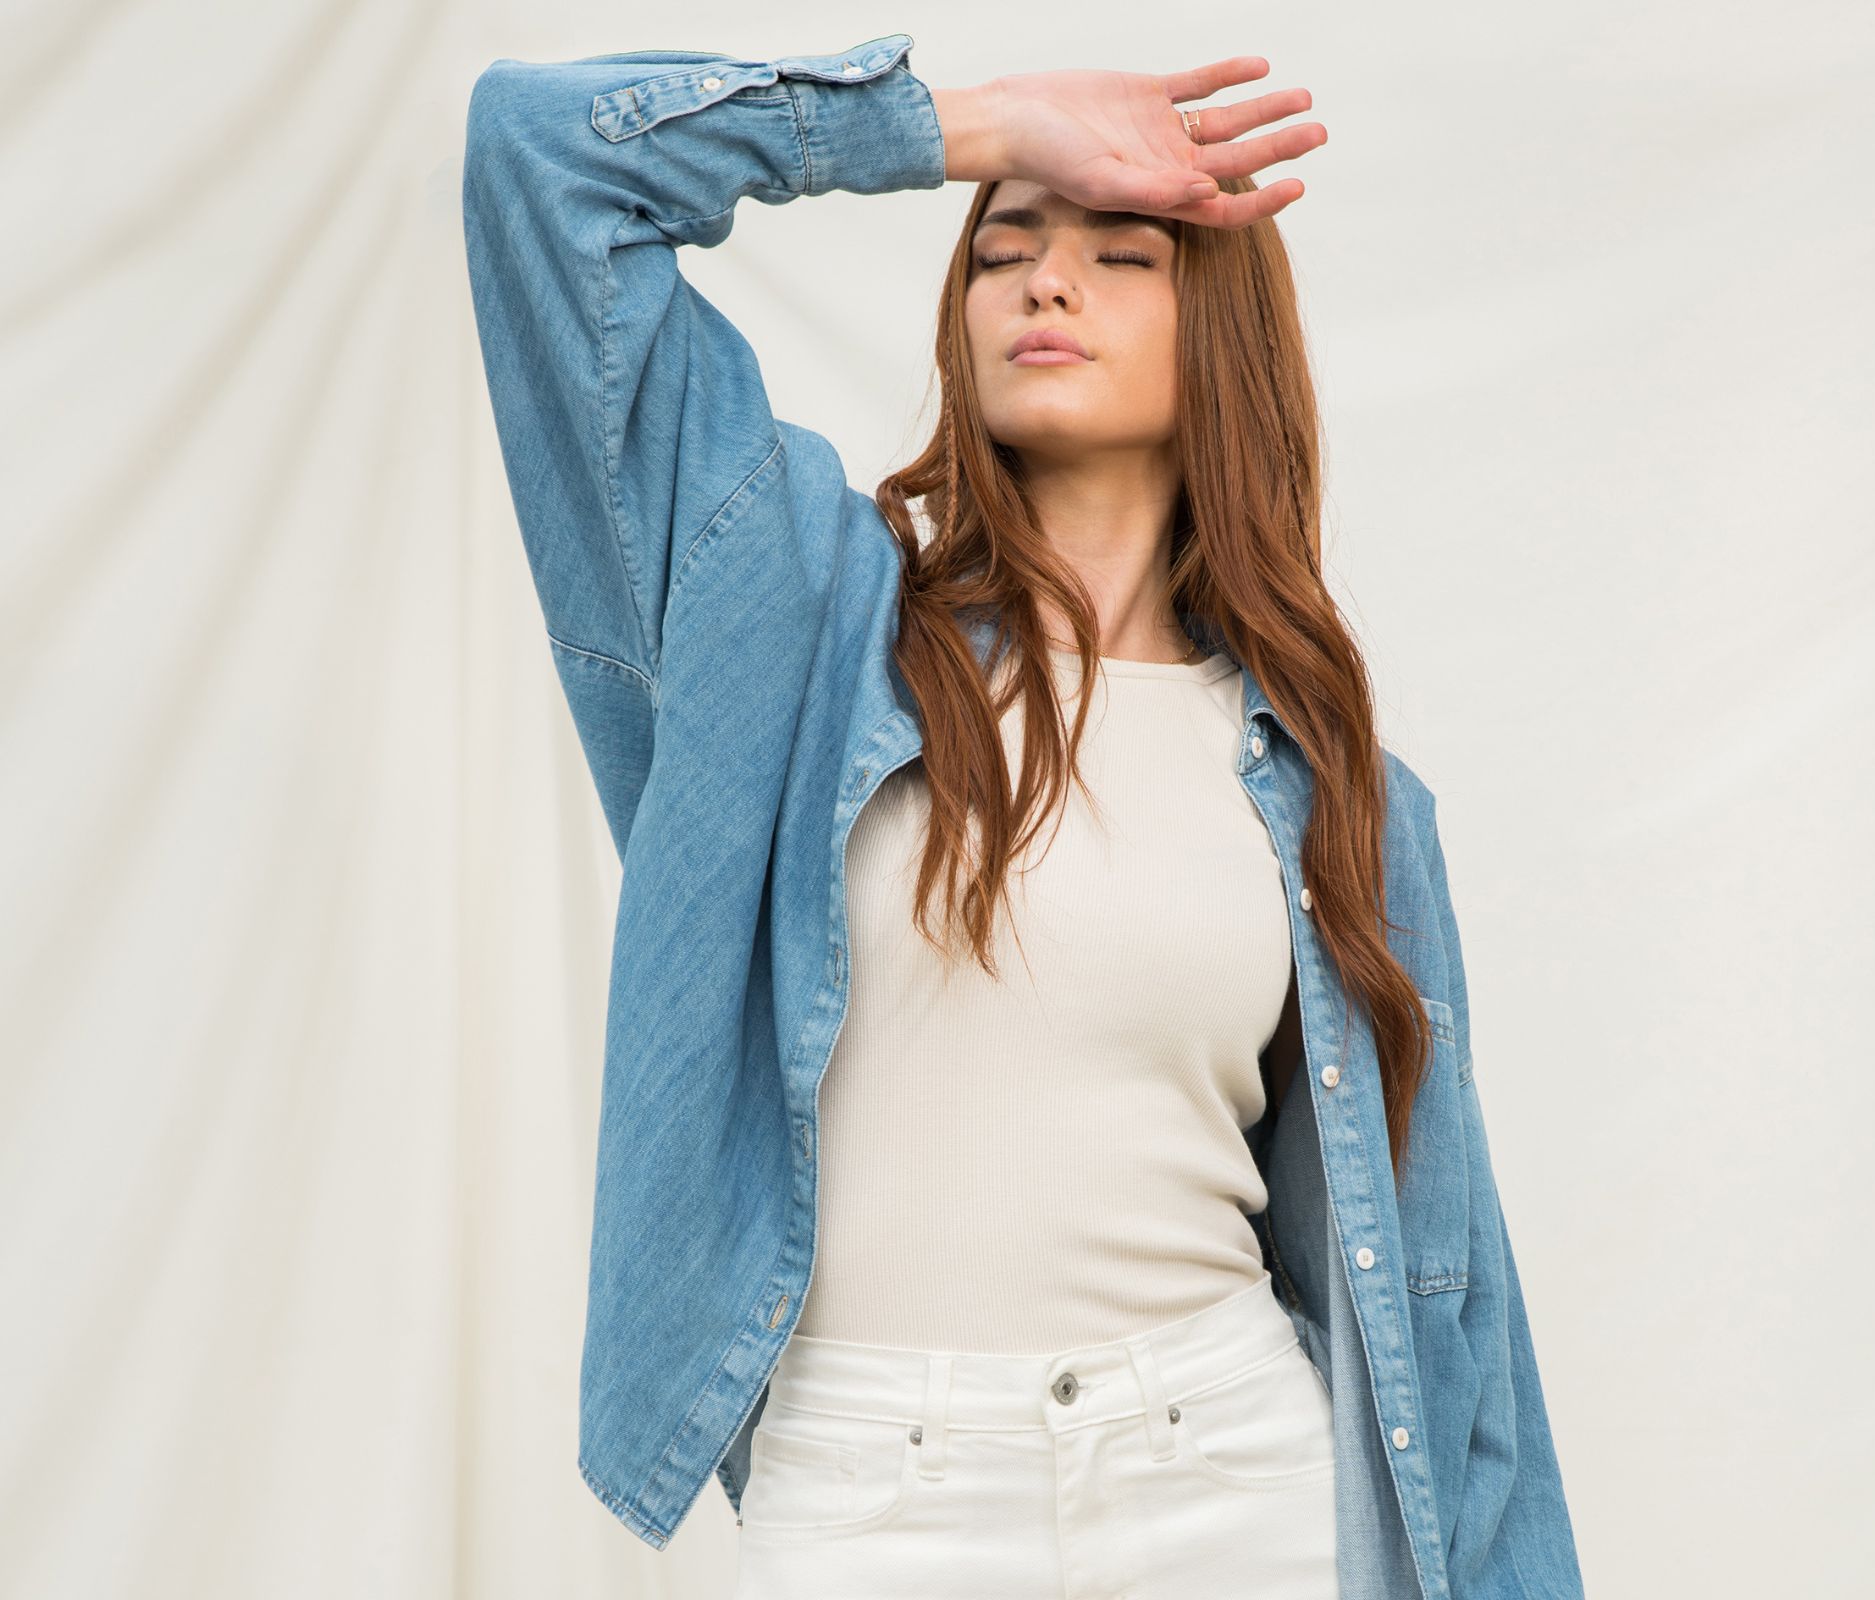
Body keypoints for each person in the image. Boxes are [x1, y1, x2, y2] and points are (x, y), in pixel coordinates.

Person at [460, 31, 1585, 1599]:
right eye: (1005, 248)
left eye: (1122, 253)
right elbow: (542, 158)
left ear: (1221, 338)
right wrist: (972, 127)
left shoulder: (1343, 791)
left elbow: (1455, 1320)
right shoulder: (798, 628)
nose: (1048, 280)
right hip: (876, 1493)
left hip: (1231, 1475)